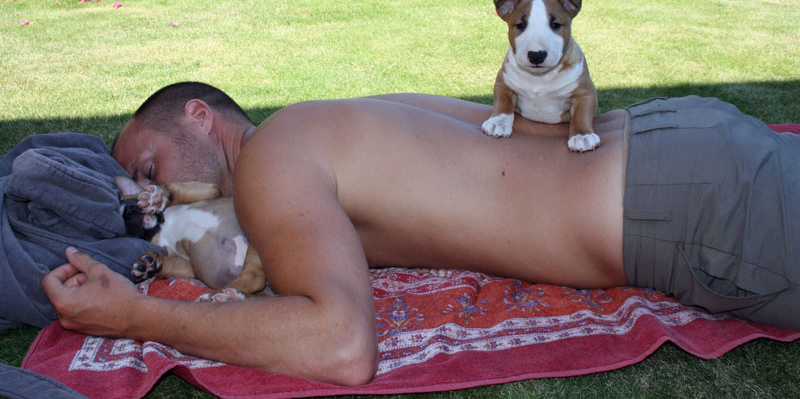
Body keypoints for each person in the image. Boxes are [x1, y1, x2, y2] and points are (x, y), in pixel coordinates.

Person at [42, 82, 800, 386]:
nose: (153, 194)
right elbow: (526, 133)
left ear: (200, 116)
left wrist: (136, 317)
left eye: (149, 166)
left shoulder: (272, 163)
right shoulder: (332, 118)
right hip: (682, 137)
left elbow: (342, 344)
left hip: (689, 206)